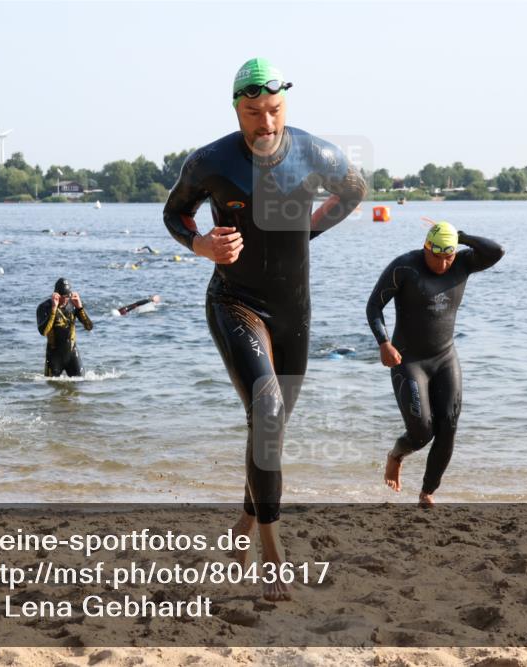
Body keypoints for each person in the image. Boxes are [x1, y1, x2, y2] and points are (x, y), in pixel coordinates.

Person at [163, 57, 366, 601]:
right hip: (234, 302)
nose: (266, 123)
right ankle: (271, 552)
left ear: (285, 106)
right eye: (253, 112)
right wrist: (201, 244)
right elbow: (174, 214)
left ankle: (246, 523)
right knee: (268, 409)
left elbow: (353, 192)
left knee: (269, 427)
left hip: (294, 311)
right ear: (236, 110)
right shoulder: (210, 162)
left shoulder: (316, 152)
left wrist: (309, 230)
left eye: (274, 110)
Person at [366, 222, 504, 507]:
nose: (443, 264)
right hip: (408, 360)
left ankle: (427, 491)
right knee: (421, 433)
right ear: (426, 246)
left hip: (444, 357)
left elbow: (497, 251)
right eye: (437, 256)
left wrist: (462, 236)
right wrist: (384, 343)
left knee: (449, 425)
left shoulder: (464, 263)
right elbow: (374, 306)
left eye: (449, 256)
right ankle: (396, 455)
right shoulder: (404, 267)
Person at [37, 278, 93, 377]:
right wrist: (54, 309)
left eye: (68, 296)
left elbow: (89, 327)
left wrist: (80, 308)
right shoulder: (44, 307)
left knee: (81, 384)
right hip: (54, 356)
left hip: (71, 354)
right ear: (56, 295)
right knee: (51, 388)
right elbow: (44, 332)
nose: (65, 300)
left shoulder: (74, 305)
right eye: (63, 297)